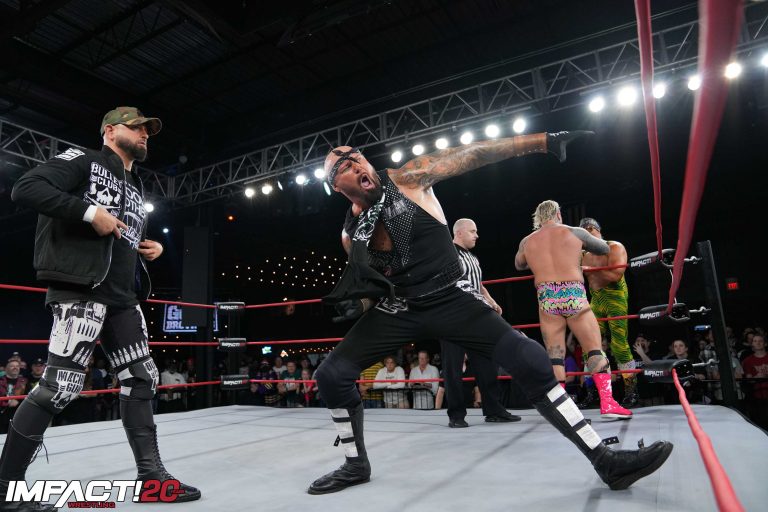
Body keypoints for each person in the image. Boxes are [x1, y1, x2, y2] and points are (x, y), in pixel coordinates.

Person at [309, 134, 672, 495]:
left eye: (357, 156)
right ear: (336, 186)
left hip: (451, 298)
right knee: (331, 375)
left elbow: (471, 153)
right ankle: (355, 464)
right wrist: (360, 305)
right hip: (402, 306)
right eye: (343, 166)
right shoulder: (351, 234)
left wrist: (542, 141)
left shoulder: (407, 179)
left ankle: (605, 461)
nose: (355, 164)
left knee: (531, 359)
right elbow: (377, 284)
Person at [6, 106, 200, 509]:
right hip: (81, 290)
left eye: (148, 130)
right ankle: (6, 488)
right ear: (110, 131)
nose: (145, 134)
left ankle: (151, 479)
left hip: (121, 298)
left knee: (143, 378)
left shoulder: (136, 186)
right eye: (136, 128)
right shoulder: (84, 160)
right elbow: (26, 188)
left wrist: (147, 247)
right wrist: (89, 211)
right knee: (59, 387)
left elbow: (116, 236)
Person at [515, 201, 631, 421]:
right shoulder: (574, 232)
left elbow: (519, 264)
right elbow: (604, 248)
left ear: (538, 218)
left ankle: (563, 411)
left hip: (547, 297)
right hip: (573, 293)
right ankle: (608, 403)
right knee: (594, 350)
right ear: (558, 214)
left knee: (555, 357)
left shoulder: (527, 241)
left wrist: (540, 258)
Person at [441, 218, 520, 427]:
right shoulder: (447, 252)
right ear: (459, 233)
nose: (477, 235)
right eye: (473, 231)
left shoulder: (473, 257)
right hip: (453, 317)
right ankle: (456, 415)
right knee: (453, 367)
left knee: (486, 363)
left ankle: (494, 410)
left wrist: (491, 301)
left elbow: (478, 284)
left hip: (476, 318)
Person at [579, 217, 637, 408]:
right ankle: (593, 392)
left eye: (586, 233)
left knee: (619, 345)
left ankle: (631, 391)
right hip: (596, 299)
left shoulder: (614, 247)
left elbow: (615, 275)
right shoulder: (582, 254)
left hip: (615, 298)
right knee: (589, 347)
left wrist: (590, 270)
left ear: (593, 229)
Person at [0, 360, 28, 435]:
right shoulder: (0, 380)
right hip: (2, 416)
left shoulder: (25, 381)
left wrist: (18, 401)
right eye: (12, 366)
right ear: (6, 368)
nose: (15, 368)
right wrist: (7, 402)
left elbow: (29, 397)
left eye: (17, 366)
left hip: (19, 416)